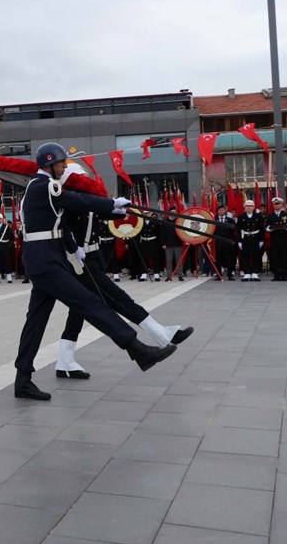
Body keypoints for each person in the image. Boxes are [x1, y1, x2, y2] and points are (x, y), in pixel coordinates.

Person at [13, 143, 176, 400]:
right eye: (61, 164)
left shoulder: (40, 187)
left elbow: (72, 210)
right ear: (48, 163)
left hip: (44, 259)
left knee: (36, 320)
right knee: (89, 302)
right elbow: (75, 200)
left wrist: (112, 209)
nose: (64, 167)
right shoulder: (45, 186)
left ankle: (22, 379)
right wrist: (111, 203)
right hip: (46, 262)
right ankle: (137, 349)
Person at [53, 165, 194, 379]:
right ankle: (160, 334)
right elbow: (64, 226)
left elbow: (98, 214)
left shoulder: (84, 197)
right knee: (118, 298)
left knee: (78, 311)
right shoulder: (69, 199)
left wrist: (120, 210)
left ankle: (65, 360)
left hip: (92, 258)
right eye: (81, 177)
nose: (86, 180)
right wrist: (73, 249)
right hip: (80, 261)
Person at [265, 196, 287, 281]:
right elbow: (266, 227)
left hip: (284, 239)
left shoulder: (286, 215)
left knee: (285, 257)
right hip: (274, 239)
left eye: (278, 204)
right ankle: (276, 275)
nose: (276, 206)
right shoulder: (270, 216)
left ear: (281, 205)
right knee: (275, 257)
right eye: (275, 204)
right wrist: (270, 228)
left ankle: (284, 275)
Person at [236, 200, 264, 281]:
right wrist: (239, 241)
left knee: (256, 256)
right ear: (244, 207)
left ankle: (255, 273)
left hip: (255, 238)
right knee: (245, 256)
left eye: (251, 206)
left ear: (254, 207)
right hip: (245, 238)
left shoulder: (258, 216)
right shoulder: (241, 217)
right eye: (247, 206)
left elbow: (261, 229)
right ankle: (247, 273)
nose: (249, 207)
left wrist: (261, 240)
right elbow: (238, 229)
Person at [212, 205, 237, 281]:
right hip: (218, 243)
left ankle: (230, 275)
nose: (221, 211)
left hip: (228, 243)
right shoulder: (214, 220)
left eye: (222, 210)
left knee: (229, 259)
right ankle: (218, 275)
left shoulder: (230, 220)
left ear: (225, 211)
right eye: (219, 210)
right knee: (218, 259)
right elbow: (213, 231)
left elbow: (233, 231)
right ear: (217, 212)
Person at [0, 213, 15, 284]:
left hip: (5, 246)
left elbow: (12, 237)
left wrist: (9, 245)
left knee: (7, 261)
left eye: (0, 219)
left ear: (2, 219)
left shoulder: (7, 227)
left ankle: (9, 276)